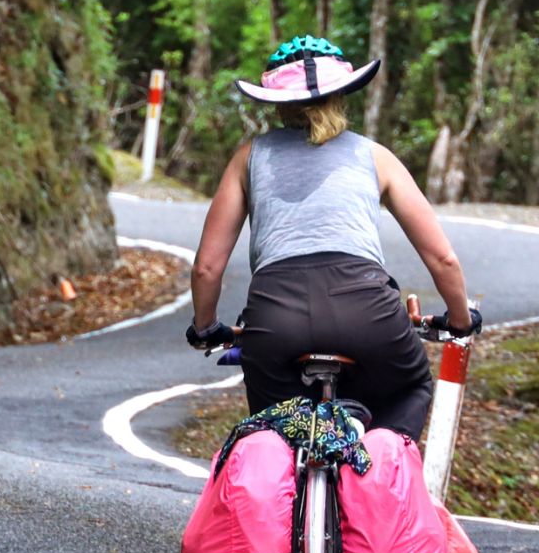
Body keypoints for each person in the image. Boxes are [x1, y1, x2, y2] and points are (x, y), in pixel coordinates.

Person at [184, 36, 480, 436]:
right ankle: (377, 479)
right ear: (343, 95)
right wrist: (460, 321)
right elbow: (442, 259)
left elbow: (207, 267)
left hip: (274, 320)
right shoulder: (376, 157)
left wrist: (206, 328)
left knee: (274, 433)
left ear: (278, 102)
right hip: (368, 314)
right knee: (410, 388)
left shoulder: (249, 157)